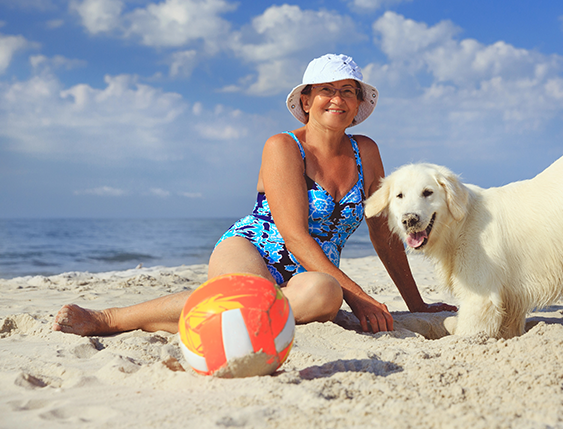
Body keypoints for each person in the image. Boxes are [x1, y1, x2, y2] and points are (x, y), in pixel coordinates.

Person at [54, 53, 455, 336]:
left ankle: (221, 315)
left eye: (348, 91)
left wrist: (416, 305)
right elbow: (294, 234)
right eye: (326, 89)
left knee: (324, 295)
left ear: (357, 103)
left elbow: (384, 233)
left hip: (313, 274)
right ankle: (111, 318)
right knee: (252, 295)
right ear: (306, 100)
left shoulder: (366, 151)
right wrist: (363, 298)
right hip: (251, 249)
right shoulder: (282, 146)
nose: (338, 98)